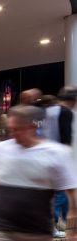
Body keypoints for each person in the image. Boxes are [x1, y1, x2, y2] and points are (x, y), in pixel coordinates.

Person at [0, 105, 77, 241]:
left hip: (37, 232)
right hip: (0, 229)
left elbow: (73, 194)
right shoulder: (0, 148)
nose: (12, 133)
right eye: (11, 129)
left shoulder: (56, 153)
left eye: (17, 129)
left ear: (32, 127)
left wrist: (73, 230)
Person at [45, 87, 76, 235]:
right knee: (60, 193)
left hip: (43, 155)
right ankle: (54, 226)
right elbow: (66, 138)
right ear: (73, 100)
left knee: (52, 194)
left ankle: (56, 224)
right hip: (58, 157)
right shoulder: (66, 112)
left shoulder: (49, 110)